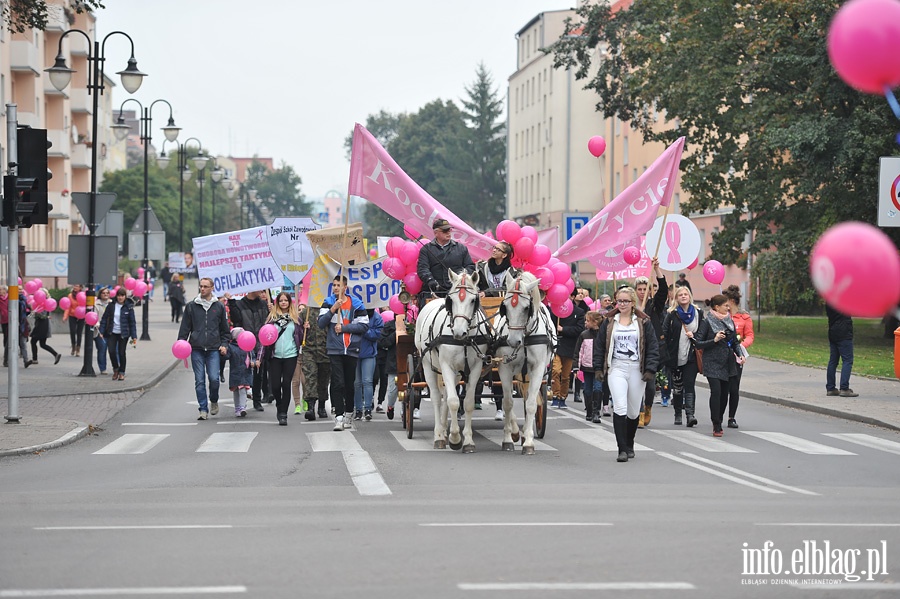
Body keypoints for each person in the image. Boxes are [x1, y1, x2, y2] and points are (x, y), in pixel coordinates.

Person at [594, 286, 659, 462]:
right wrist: (598, 368)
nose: (622, 304)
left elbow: (653, 347)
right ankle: (621, 449)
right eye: (619, 301)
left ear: (632, 303)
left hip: (637, 369)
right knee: (620, 407)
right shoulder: (609, 322)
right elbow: (600, 346)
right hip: (617, 368)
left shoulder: (643, 322)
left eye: (626, 301)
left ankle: (629, 442)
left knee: (632, 411)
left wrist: (650, 369)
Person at [318, 275, 369, 431]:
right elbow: (320, 323)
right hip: (335, 348)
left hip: (352, 349)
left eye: (338, 285)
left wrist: (345, 328)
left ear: (345, 287)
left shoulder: (357, 304)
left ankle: (348, 412)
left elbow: (364, 326)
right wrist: (333, 309)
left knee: (349, 383)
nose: (335, 288)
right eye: (334, 285)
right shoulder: (328, 302)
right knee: (337, 382)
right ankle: (338, 417)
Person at [178, 277, 230, 420]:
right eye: (201, 286)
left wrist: (224, 345)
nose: (202, 289)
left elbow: (225, 330)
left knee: (214, 379)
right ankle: (203, 409)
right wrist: (181, 344)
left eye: (206, 286)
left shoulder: (218, 307)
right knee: (199, 380)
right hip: (197, 349)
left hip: (213, 349)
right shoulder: (191, 306)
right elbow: (185, 328)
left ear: (212, 288)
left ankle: (213, 400)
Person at [694, 294, 740, 437]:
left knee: (724, 394)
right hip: (712, 361)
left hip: (727, 362)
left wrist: (740, 354)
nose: (728, 308)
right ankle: (716, 423)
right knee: (716, 392)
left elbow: (734, 342)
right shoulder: (707, 322)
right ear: (716, 307)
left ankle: (719, 416)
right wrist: (714, 339)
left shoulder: (729, 321)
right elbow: (698, 343)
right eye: (725, 305)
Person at [661, 285, 703, 427]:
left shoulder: (698, 313)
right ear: (676, 298)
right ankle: (678, 413)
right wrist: (664, 353)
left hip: (691, 354)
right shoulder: (672, 314)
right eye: (680, 295)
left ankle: (690, 415)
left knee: (690, 385)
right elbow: (665, 334)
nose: (683, 296)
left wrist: (695, 336)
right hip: (675, 355)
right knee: (678, 387)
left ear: (690, 296)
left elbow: (703, 332)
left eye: (686, 294)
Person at [634, 258, 668, 427]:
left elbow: (663, 291)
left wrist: (657, 270)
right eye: (639, 289)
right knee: (635, 383)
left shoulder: (653, 306)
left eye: (644, 288)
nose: (642, 292)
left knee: (649, 386)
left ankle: (647, 407)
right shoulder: (630, 308)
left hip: (651, 351)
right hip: (633, 350)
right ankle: (638, 412)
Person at [263, 292, 304, 426]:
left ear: (289, 302)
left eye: (286, 300)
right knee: (275, 386)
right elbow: (265, 336)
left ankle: (283, 414)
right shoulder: (272, 318)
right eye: (281, 301)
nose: (283, 303)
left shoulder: (296, 319)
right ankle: (279, 405)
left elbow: (301, 335)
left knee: (286, 384)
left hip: (290, 355)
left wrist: (305, 328)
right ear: (277, 303)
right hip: (275, 356)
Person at [230, 289, 272, 411]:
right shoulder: (240, 304)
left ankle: (257, 400)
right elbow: (236, 320)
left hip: (260, 343)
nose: (262, 290)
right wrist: (232, 303)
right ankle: (243, 400)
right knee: (245, 371)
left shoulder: (264, 304)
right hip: (245, 343)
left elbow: (269, 322)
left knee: (259, 373)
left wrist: (272, 311)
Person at [416, 217, 475, 300]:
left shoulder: (461, 249)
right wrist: (431, 281)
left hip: (457, 290)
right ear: (436, 233)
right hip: (433, 291)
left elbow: (470, 266)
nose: (448, 233)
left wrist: (461, 278)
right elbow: (422, 269)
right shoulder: (426, 250)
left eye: (449, 230)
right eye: (444, 231)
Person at [723, 285, 754, 427]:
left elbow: (749, 335)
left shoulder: (744, 317)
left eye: (726, 301)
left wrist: (742, 346)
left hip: (736, 355)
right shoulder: (722, 315)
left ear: (732, 301)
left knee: (734, 387)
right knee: (722, 387)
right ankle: (718, 415)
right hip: (722, 355)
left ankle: (731, 417)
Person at [550, 289, 585, 409]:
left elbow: (579, 329)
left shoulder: (579, 312)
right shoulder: (554, 310)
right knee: (555, 371)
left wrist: (563, 329)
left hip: (571, 347)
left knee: (566, 376)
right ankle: (555, 395)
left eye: (568, 296)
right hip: (557, 345)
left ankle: (562, 397)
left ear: (573, 297)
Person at [300, 302, 331, 420]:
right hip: (309, 350)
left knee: (323, 379)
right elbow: (297, 331)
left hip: (325, 350)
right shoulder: (306, 312)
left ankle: (322, 406)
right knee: (310, 377)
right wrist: (303, 328)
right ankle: (310, 407)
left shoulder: (329, 311)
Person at [98, 288, 137, 381]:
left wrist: (134, 336)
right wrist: (102, 331)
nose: (120, 298)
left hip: (124, 333)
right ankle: (116, 369)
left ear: (125, 297)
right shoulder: (111, 306)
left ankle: (122, 372)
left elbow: (132, 322)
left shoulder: (129, 307)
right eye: (119, 295)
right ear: (116, 296)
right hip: (112, 332)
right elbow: (104, 319)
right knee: (111, 351)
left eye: (122, 296)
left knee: (121, 352)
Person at [573, 310, 604, 422]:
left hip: (598, 368)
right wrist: (576, 366)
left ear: (595, 322)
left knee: (598, 388)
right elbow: (578, 352)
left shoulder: (603, 335)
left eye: (587, 320)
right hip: (587, 367)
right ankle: (589, 411)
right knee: (587, 390)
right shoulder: (584, 335)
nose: (585, 323)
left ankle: (597, 412)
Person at [354, 308, 384, 420]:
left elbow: (377, 334)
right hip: (354, 352)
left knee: (367, 381)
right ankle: (357, 409)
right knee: (356, 383)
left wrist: (363, 330)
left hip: (369, 354)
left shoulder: (377, 318)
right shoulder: (354, 314)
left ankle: (367, 409)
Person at [826, 304, 858, 398]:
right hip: (844, 332)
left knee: (833, 361)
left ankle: (831, 388)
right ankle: (844, 388)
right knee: (847, 360)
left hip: (833, 331)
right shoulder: (843, 300)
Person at [226, 327, 252, 417]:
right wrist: (223, 353)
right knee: (236, 391)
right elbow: (227, 356)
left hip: (245, 372)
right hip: (235, 373)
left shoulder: (246, 345)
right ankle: (237, 407)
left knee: (242, 389)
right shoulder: (231, 347)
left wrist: (253, 361)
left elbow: (251, 355)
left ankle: (242, 407)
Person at [379, 312, 399, 420]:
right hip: (393, 361)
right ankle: (390, 406)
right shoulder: (388, 326)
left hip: (410, 361)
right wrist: (396, 333)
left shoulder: (412, 324)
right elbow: (382, 342)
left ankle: (406, 411)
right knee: (392, 390)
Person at [93, 287, 111, 375]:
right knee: (102, 349)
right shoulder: (96, 304)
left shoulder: (112, 303)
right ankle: (103, 368)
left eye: (107, 293)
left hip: (111, 330)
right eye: (103, 293)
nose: (105, 294)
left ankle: (118, 367)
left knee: (115, 349)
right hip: (100, 331)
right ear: (100, 294)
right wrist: (97, 324)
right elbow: (94, 316)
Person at [63, 284, 85, 356]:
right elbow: (67, 307)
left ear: (80, 288)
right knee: (72, 331)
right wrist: (65, 316)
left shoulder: (84, 295)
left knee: (79, 332)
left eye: (77, 286)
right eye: (74, 286)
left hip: (81, 316)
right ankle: (73, 346)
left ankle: (78, 349)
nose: (75, 287)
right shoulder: (70, 295)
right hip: (72, 315)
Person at [1, 285, 8, 367]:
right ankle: (6, 354)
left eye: (1, 289)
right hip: (3, 321)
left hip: (10, 321)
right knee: (5, 338)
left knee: (8, 339)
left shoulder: (9, 298)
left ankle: (6, 358)